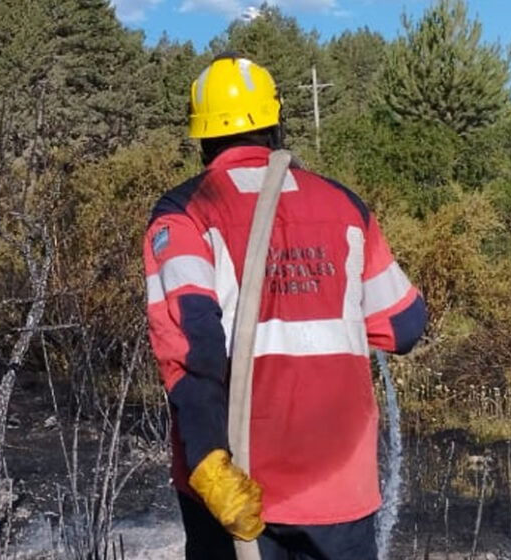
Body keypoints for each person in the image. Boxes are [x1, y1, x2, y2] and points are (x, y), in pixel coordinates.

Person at [142, 54, 427, 560]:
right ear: (276, 123)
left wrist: (208, 463)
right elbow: (404, 325)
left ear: (202, 135)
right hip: (340, 491)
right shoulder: (345, 207)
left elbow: (190, 348)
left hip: (234, 492)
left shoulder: (185, 214)